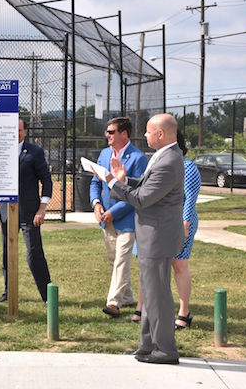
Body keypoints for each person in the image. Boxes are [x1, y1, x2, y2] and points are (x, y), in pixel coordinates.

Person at [107, 113, 184, 365]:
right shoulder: (165, 156)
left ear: (160, 134)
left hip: (157, 236)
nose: (146, 136)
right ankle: (148, 346)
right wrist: (124, 180)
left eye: (149, 132)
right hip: (154, 235)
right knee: (152, 294)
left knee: (158, 296)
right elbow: (144, 186)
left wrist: (112, 184)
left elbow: (142, 199)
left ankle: (165, 350)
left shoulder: (169, 160)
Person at [132, 130, 201, 330]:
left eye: (150, 132)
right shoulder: (154, 162)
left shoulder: (187, 167)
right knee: (148, 265)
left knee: (179, 265)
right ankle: (142, 307)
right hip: (156, 223)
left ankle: (184, 312)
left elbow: (190, 199)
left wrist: (185, 223)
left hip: (178, 223)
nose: (146, 136)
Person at [0, 119, 52, 303]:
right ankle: (9, 292)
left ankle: (48, 296)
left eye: (18, 130)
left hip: (30, 213)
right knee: (7, 253)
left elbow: (46, 180)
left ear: (24, 132)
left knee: (34, 253)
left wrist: (42, 208)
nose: (15, 133)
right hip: (7, 211)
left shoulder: (34, 152)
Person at [90, 117, 147, 318]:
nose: (108, 135)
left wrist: (113, 213)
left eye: (112, 132)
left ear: (124, 134)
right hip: (105, 219)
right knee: (114, 260)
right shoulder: (104, 154)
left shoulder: (138, 158)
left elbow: (137, 193)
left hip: (128, 219)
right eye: (107, 132)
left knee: (122, 259)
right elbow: (95, 183)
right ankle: (128, 297)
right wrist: (96, 203)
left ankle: (113, 303)